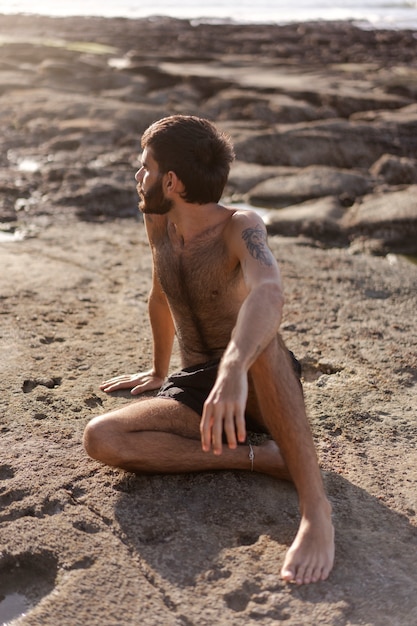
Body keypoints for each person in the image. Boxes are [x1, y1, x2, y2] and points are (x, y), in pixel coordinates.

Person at [83, 115, 334, 585]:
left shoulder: (241, 226)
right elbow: (161, 294)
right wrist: (160, 373)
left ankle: (316, 512)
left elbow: (269, 293)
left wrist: (235, 369)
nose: (139, 177)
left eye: (145, 168)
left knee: (261, 342)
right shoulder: (157, 219)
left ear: (171, 180)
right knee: (103, 438)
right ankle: (262, 459)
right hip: (197, 389)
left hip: (258, 383)